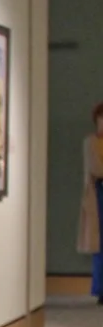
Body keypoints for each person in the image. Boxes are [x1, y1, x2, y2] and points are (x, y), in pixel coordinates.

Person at [78, 102, 103, 304]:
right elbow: (96, 168)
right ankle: (100, 289)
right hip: (98, 195)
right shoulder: (91, 142)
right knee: (99, 245)